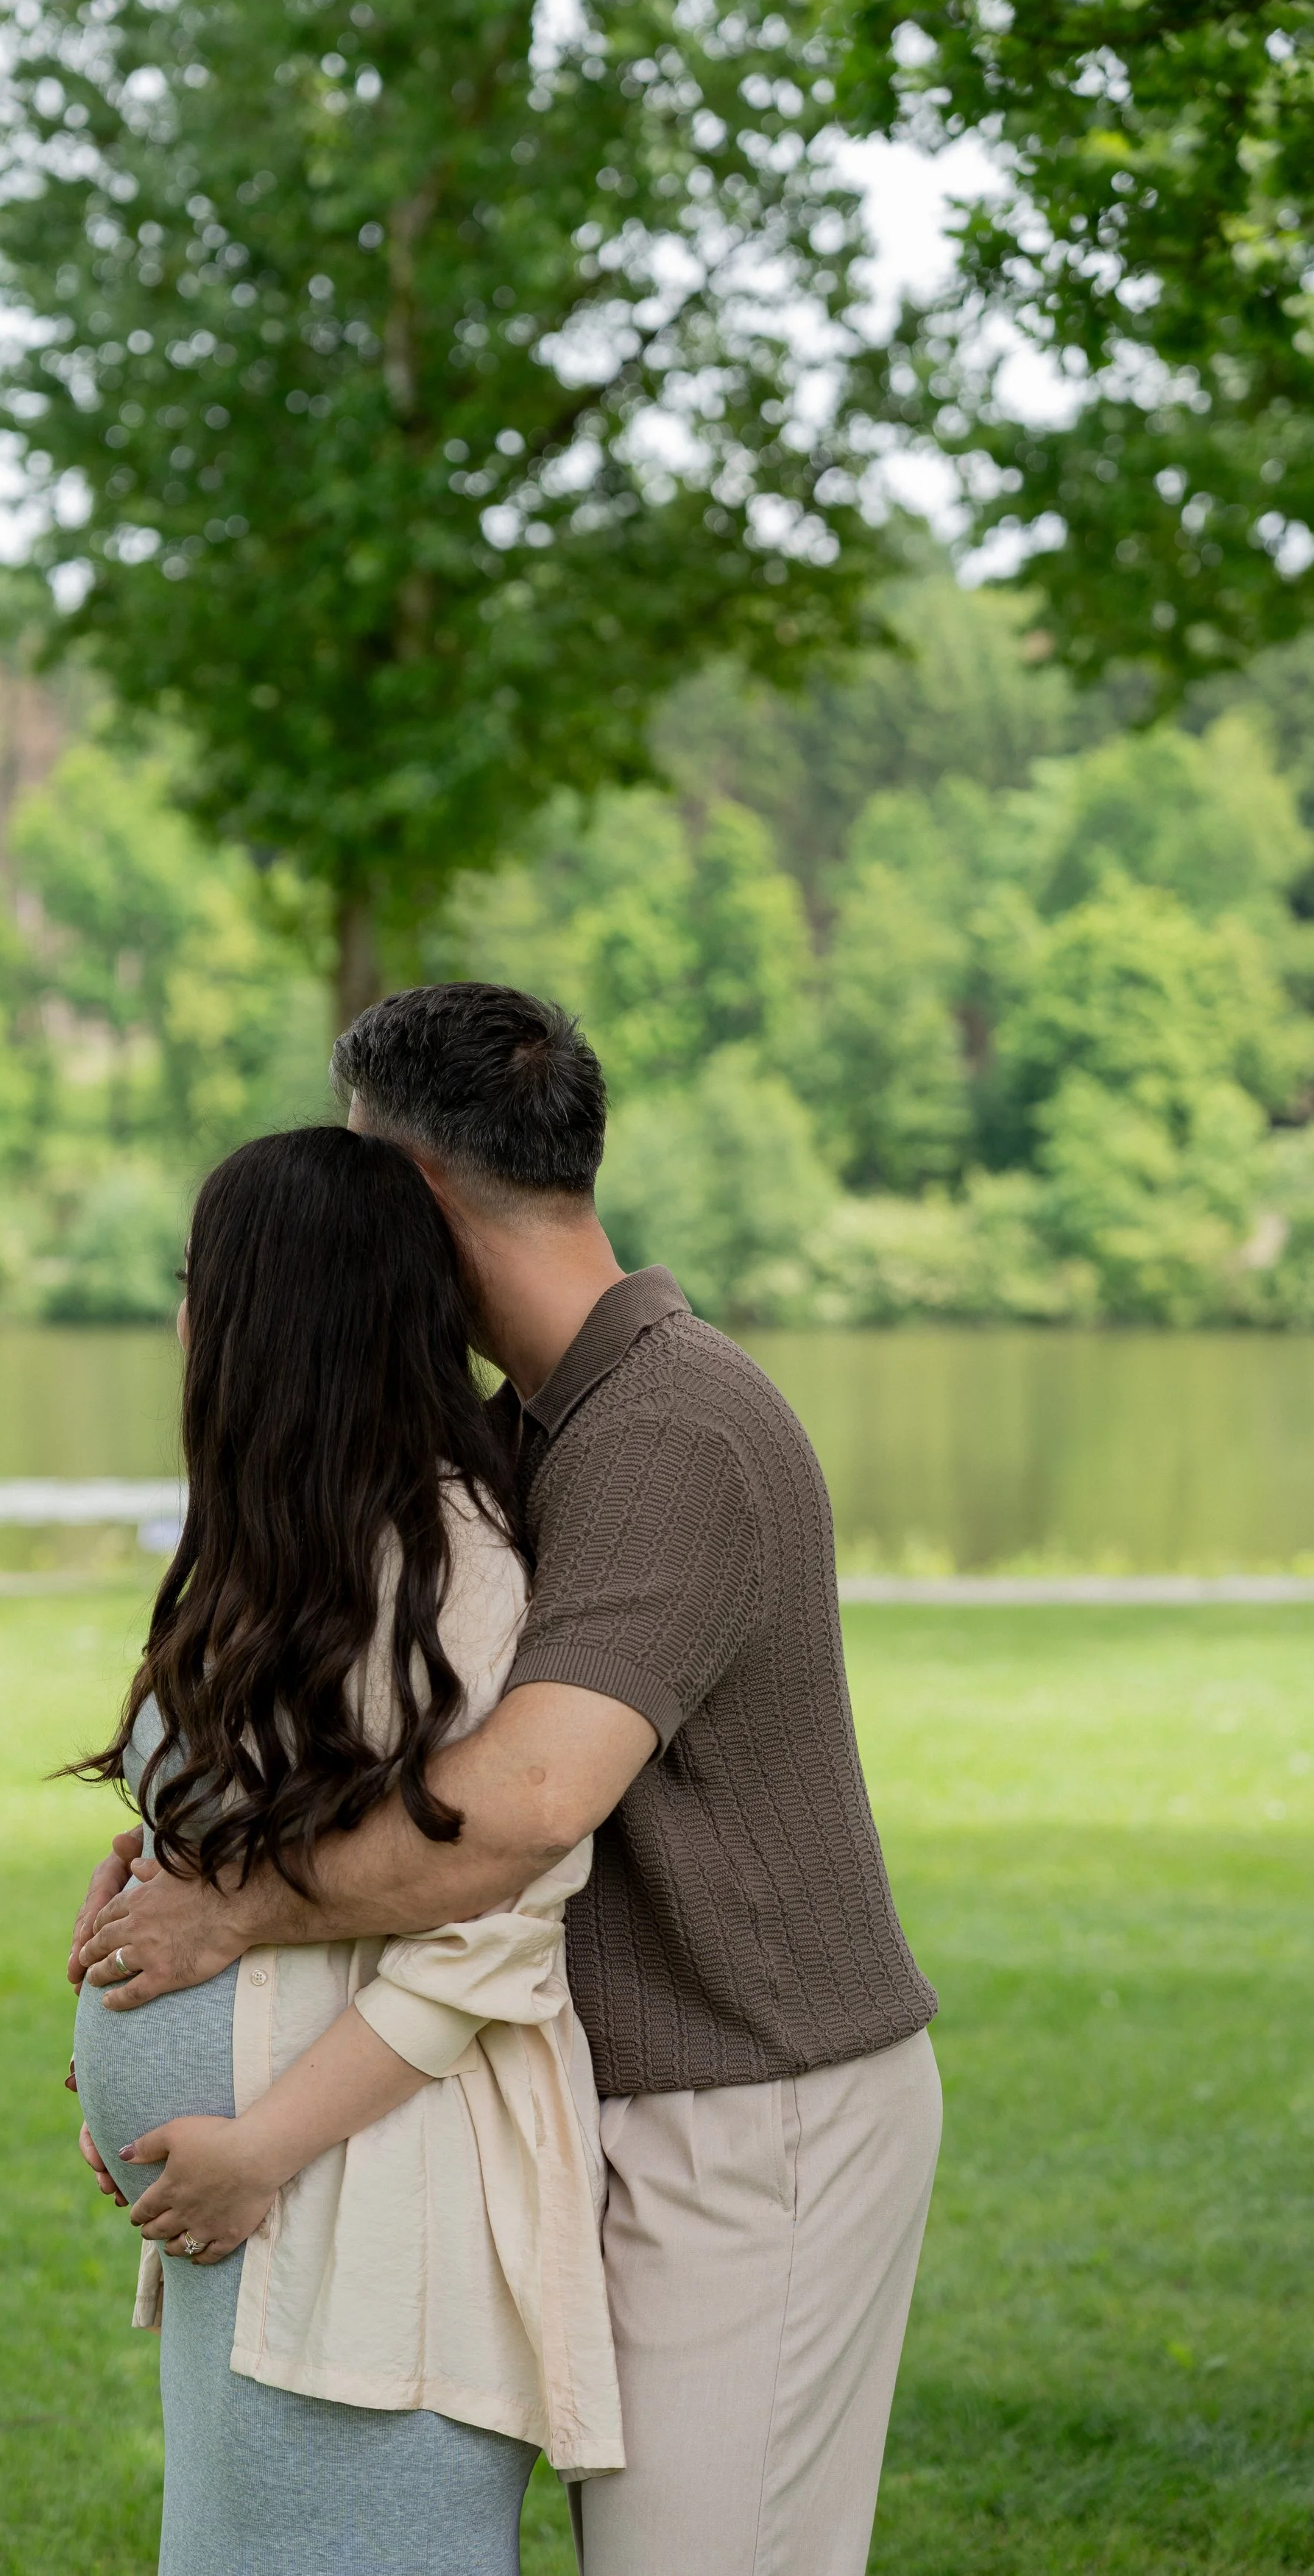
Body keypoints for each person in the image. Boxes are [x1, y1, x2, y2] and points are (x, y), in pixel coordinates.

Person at [74, 983, 943, 2576]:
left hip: (744, 2115)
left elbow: (527, 1805)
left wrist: (226, 1914)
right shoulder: (531, 1421)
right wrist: (166, 1863)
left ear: (403, 1192)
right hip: (600, 2099)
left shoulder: (671, 1428)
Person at [66, 1123, 623, 2576]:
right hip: (251, 2233)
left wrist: (254, 2143)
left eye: (204, 1276)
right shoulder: (282, 1547)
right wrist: (129, 1934)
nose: (183, 1312)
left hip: (369, 2230)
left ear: (283, 1309)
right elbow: (268, 1832)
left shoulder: (447, 1570)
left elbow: (495, 1922)